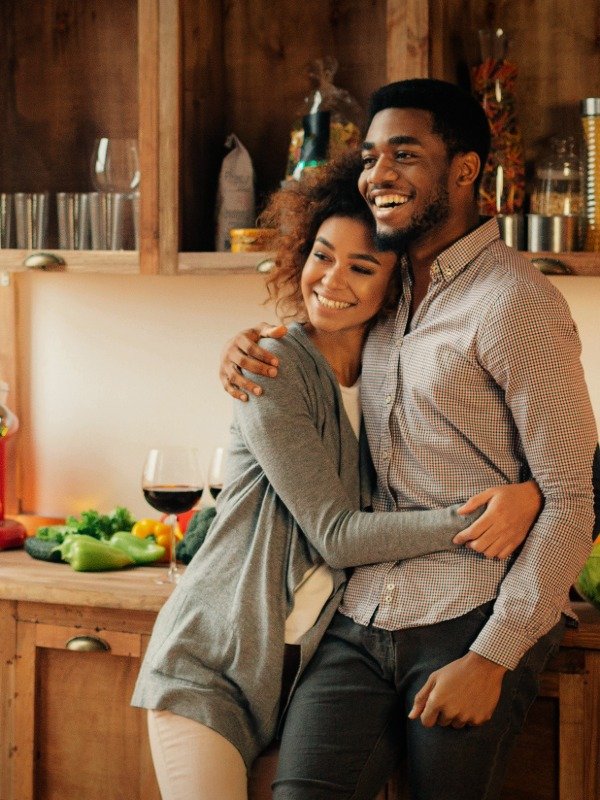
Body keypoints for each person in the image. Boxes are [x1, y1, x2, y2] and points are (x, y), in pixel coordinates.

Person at [219, 79, 598, 800]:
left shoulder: (516, 303)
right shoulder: (388, 295)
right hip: (360, 615)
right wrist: (246, 347)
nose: (378, 174)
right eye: (369, 157)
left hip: (471, 615)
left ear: (465, 170)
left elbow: (574, 499)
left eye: (405, 154)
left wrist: (492, 658)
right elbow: (316, 332)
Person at [132, 153, 543, 800]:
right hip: (213, 666)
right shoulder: (273, 365)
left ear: (396, 282)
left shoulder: (389, 370)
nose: (331, 279)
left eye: (362, 266)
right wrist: (486, 518)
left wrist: (535, 491)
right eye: (322, 256)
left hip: (295, 677)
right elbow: (338, 536)